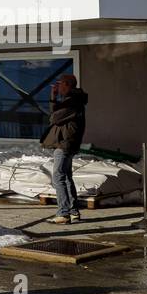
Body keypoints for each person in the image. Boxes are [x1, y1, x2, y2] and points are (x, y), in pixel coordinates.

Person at [40, 74, 88, 224]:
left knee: (58, 176)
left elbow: (54, 118)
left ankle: (63, 213)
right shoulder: (73, 100)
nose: (57, 87)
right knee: (66, 177)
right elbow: (56, 114)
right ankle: (73, 212)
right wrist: (53, 97)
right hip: (68, 143)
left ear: (67, 85)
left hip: (64, 143)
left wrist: (55, 102)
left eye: (59, 84)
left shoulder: (73, 101)